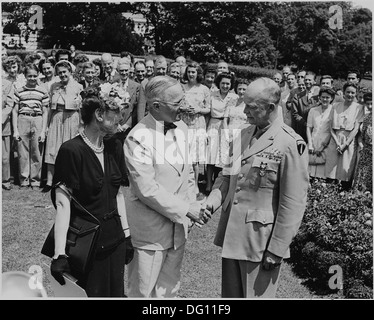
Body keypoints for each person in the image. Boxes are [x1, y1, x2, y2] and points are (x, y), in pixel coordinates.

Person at [203, 77, 309, 298]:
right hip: (233, 236)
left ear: (271, 108)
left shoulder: (290, 143)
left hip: (261, 244)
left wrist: (277, 249)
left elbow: (293, 202)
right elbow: (226, 177)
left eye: (251, 107)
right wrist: (211, 202)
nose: (244, 111)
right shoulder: (243, 134)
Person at [123, 75, 204, 298]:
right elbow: (146, 189)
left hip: (178, 229)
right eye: (178, 103)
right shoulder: (137, 137)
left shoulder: (182, 129)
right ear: (156, 106)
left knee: (169, 292)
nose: (185, 107)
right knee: (143, 292)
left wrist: (191, 205)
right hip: (150, 232)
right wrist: (185, 210)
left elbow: (188, 173)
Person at [49, 84, 133, 297]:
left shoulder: (114, 145)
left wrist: (126, 235)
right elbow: (62, 203)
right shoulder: (71, 150)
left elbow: (118, 193)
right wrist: (59, 254)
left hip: (115, 241)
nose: (120, 120)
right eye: (116, 115)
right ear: (98, 114)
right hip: (88, 246)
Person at [43, 61, 83, 192]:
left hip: (72, 119)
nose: (62, 75)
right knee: (52, 147)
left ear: (70, 72)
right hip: (57, 118)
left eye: (64, 72)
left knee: (68, 149)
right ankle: (50, 181)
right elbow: (49, 108)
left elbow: (81, 109)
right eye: (59, 73)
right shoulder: (53, 86)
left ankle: (67, 179)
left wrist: (81, 125)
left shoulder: (78, 86)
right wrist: (47, 125)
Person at [12, 64, 49, 189]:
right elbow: (15, 111)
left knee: (36, 151)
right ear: (25, 76)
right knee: (23, 151)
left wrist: (43, 130)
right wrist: (16, 130)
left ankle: (35, 180)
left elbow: (45, 111)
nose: (32, 78)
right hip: (23, 119)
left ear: (38, 75)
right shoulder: (19, 91)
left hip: (37, 119)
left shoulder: (43, 91)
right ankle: (24, 179)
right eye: (30, 76)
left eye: (34, 75)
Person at [325, 83, 365, 190]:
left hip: (349, 142)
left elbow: (356, 128)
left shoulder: (359, 108)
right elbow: (330, 127)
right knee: (331, 170)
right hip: (335, 140)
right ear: (343, 93)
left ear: (356, 94)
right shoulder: (335, 106)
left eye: (353, 93)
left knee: (345, 169)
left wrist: (345, 144)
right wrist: (337, 143)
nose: (350, 95)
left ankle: (343, 195)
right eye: (348, 92)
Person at [181, 62, 211, 198]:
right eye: (189, 72)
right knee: (183, 155)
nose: (190, 74)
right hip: (184, 123)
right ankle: (182, 184)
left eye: (193, 72)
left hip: (198, 123)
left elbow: (209, 108)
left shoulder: (204, 89)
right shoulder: (182, 87)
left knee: (195, 158)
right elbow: (178, 104)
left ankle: (196, 186)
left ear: (198, 73)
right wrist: (184, 109)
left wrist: (198, 110)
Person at [205, 72, 238, 194]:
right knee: (210, 156)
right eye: (223, 83)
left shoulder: (234, 97)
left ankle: (218, 184)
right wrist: (205, 130)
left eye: (227, 84)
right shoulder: (212, 95)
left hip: (227, 127)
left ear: (231, 85)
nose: (225, 86)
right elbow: (208, 113)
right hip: (213, 125)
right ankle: (208, 184)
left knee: (222, 157)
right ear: (219, 83)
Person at [306, 86, 335, 180]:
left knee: (321, 174)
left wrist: (322, 147)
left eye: (327, 97)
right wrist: (310, 144)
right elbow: (309, 127)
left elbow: (332, 130)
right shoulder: (313, 110)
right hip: (313, 142)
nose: (325, 99)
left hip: (326, 144)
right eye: (323, 97)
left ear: (331, 98)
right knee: (308, 171)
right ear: (319, 97)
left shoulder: (334, 111)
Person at [221, 78, 249, 167]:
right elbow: (225, 119)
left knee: (237, 162)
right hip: (228, 134)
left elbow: (249, 122)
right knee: (225, 161)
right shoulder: (231, 101)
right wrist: (226, 134)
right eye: (239, 89)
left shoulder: (249, 104)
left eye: (244, 89)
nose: (241, 91)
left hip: (241, 135)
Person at [291, 71, 319, 142]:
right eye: (306, 80)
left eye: (309, 80)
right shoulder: (297, 96)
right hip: (301, 129)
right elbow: (295, 113)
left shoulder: (319, 96)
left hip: (316, 129)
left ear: (314, 81)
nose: (307, 81)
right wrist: (305, 123)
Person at [352, 92, 372, 193]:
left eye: (372, 103)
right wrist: (361, 145)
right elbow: (360, 136)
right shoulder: (367, 118)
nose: (370, 106)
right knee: (362, 179)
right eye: (368, 104)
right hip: (366, 153)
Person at [2, 77, 14, 190]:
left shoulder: (7, 84)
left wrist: (1, 119)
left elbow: (9, 104)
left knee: (4, 157)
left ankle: (5, 181)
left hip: (3, 124)